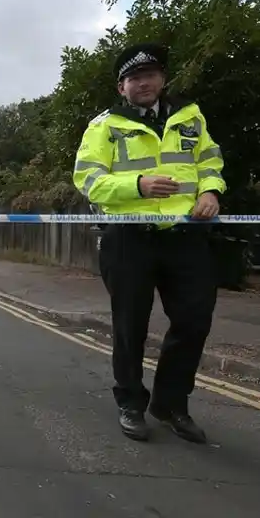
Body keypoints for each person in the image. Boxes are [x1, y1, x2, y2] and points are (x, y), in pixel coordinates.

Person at [73, 43, 226, 443]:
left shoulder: (190, 116)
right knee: (130, 327)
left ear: (162, 79)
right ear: (121, 87)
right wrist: (137, 186)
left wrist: (210, 192)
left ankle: (171, 403)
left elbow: (210, 161)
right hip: (129, 238)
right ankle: (131, 403)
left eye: (151, 75)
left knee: (194, 322)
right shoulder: (104, 125)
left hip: (185, 237)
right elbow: (88, 180)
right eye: (134, 78)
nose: (144, 82)